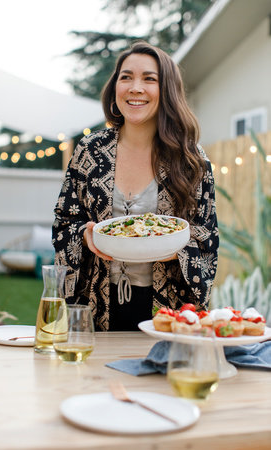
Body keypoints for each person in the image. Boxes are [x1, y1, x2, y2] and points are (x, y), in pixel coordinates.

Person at [52, 41, 219, 331]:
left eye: (149, 79)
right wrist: (86, 235)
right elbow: (65, 221)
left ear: (166, 90)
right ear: (115, 86)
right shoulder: (90, 151)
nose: (135, 87)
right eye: (126, 77)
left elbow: (208, 237)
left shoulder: (191, 160)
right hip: (94, 306)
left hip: (168, 311)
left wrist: (177, 246)